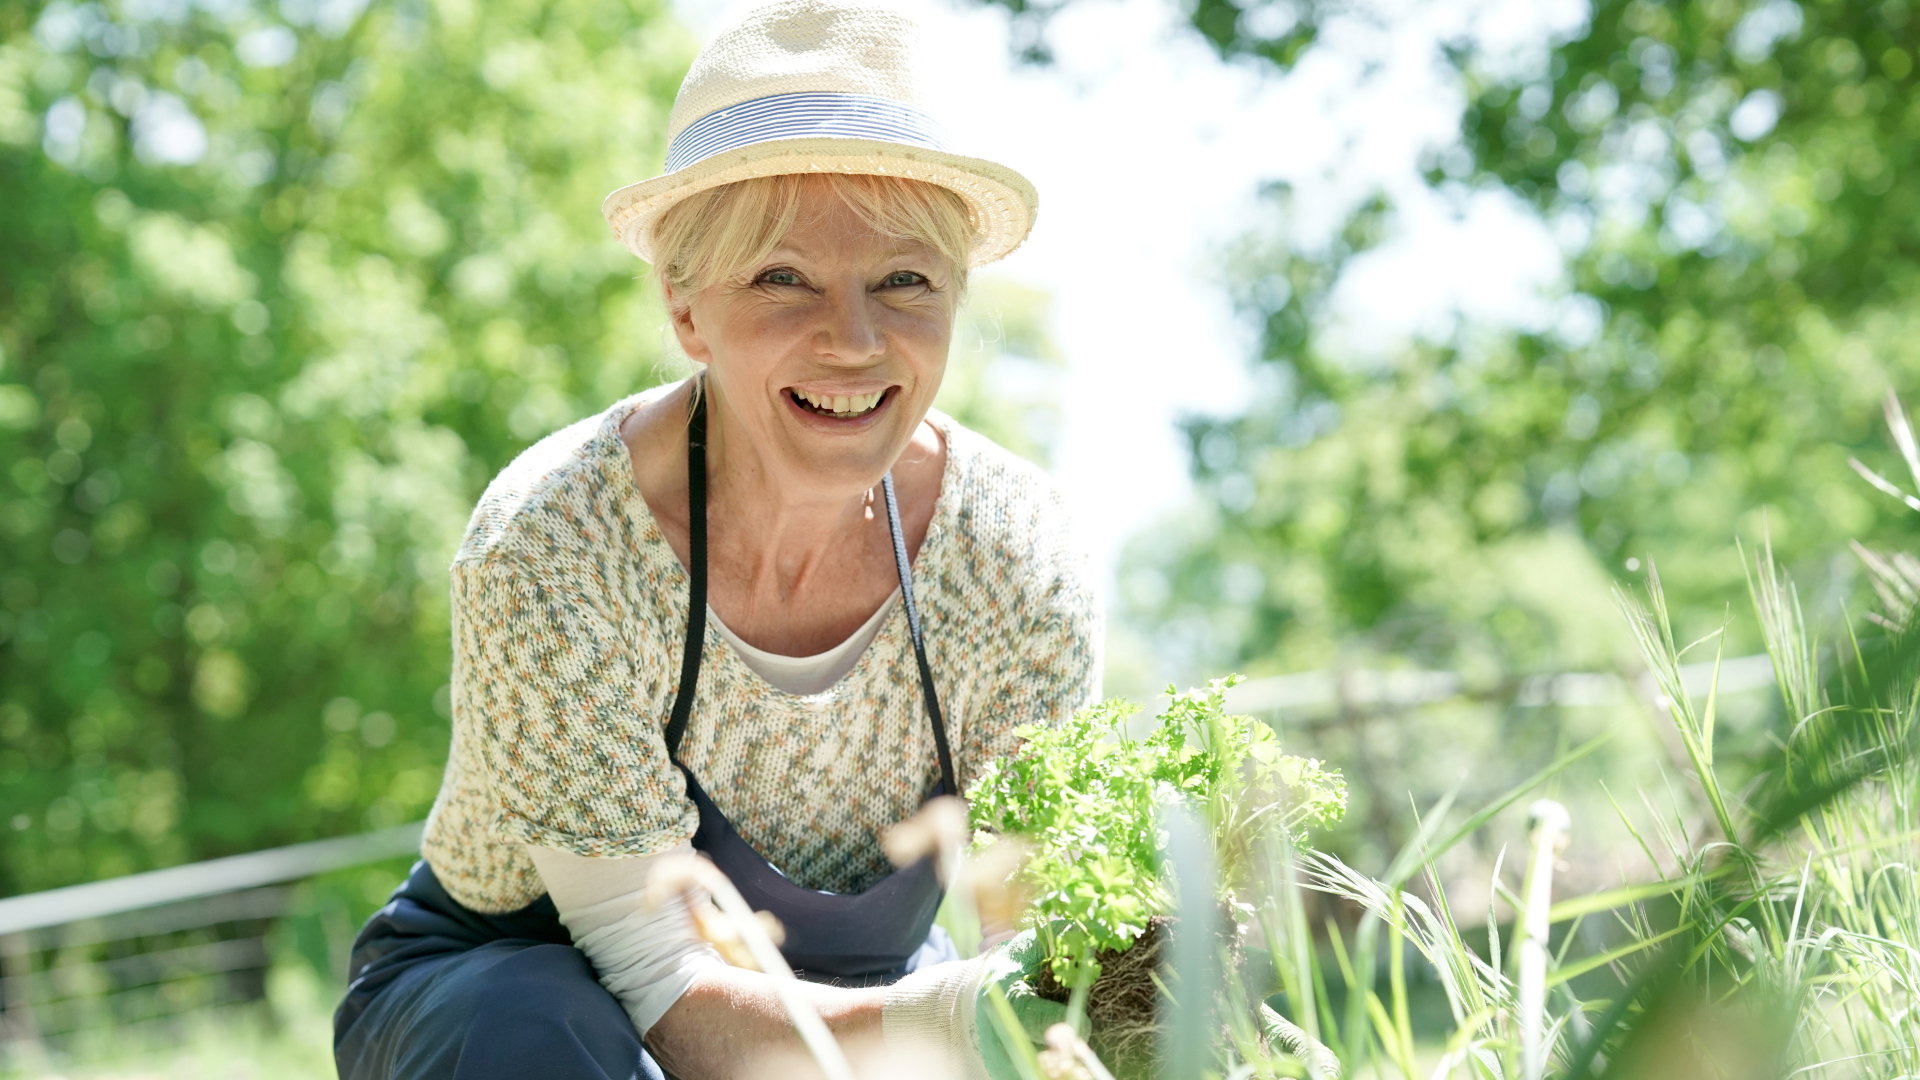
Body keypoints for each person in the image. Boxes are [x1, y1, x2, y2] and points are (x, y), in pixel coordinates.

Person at [331, 1, 1102, 1077]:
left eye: (906, 280)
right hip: (516, 1004)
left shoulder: (1012, 551)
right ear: (687, 310)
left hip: (862, 1000)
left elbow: (1032, 938)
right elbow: (655, 976)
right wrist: (949, 1029)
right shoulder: (556, 542)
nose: (855, 339)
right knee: (540, 1020)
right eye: (782, 277)